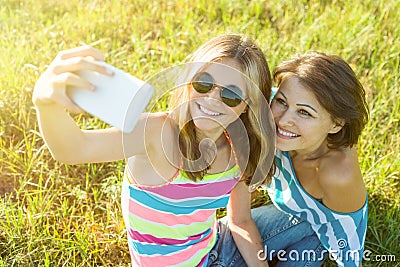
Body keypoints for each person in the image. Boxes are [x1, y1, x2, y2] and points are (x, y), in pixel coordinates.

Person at [32, 34, 296, 267]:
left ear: (246, 106)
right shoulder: (154, 133)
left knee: (307, 224)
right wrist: (45, 104)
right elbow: (74, 149)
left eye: (231, 95)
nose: (212, 99)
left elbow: (240, 221)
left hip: (218, 251)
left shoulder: (239, 150)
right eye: (203, 83)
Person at [256, 51, 369, 267]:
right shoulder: (267, 110)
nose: (284, 120)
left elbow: (348, 238)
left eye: (305, 113)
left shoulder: (336, 173)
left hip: (322, 225)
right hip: (286, 210)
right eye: (281, 101)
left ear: (336, 124)